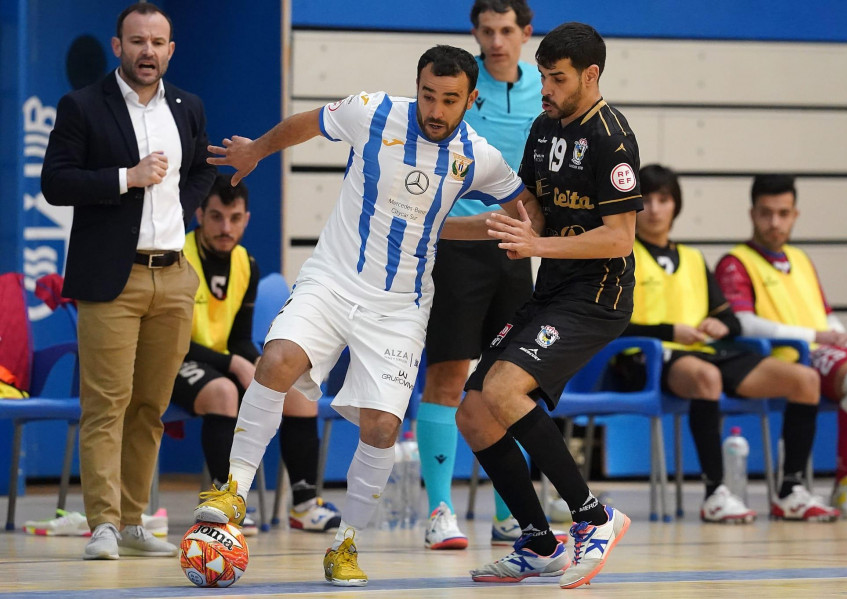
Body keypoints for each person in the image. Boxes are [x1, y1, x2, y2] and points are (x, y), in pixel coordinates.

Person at [192, 45, 542, 587]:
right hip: (332, 279)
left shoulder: (480, 157)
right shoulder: (372, 111)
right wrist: (257, 151)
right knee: (279, 359)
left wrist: (507, 233)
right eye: (428, 94)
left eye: (450, 100)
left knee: (382, 427)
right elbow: (305, 124)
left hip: (400, 307)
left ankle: (345, 545)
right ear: (417, 86)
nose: (436, 108)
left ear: (470, 100)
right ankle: (233, 488)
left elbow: (526, 209)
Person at [456, 23, 640, 589]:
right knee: (474, 411)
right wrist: (442, 229)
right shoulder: (543, 127)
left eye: (557, 78)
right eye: (542, 76)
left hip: (598, 295)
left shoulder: (613, 138)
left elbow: (620, 238)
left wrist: (538, 246)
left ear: (591, 75)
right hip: (553, 291)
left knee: (506, 388)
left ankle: (594, 516)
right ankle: (538, 542)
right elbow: (532, 209)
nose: (546, 88)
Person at [40, 2, 216, 560]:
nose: (147, 51)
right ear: (117, 46)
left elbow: (203, 168)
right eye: (136, 41)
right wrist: (128, 178)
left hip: (173, 276)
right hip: (113, 279)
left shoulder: (188, 107)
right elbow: (56, 181)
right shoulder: (82, 106)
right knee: (106, 404)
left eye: (157, 42)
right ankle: (103, 525)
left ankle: (137, 520)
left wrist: (183, 206)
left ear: (171, 49)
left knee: (151, 406)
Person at [621, 164, 838, 522]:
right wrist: (668, 333)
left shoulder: (692, 258)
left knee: (805, 380)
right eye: (646, 200)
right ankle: (715, 493)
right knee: (707, 376)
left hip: (703, 353)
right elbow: (607, 325)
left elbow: (730, 318)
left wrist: (718, 325)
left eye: (664, 199)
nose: (655, 209)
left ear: (676, 206)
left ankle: (791, 491)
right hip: (643, 358)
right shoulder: (619, 256)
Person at [420, 0, 543, 551]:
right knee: (448, 377)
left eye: (506, 31)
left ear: (525, 34)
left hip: (516, 251)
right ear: (475, 33)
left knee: (507, 381)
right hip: (456, 247)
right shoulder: (459, 85)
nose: (496, 41)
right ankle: (440, 511)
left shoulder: (546, 87)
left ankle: (509, 513)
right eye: (487, 31)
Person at [715, 174, 847, 519]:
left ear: (795, 215)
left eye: (783, 213)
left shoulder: (801, 259)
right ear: (751, 213)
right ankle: (846, 485)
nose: (775, 222)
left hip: (828, 353)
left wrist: (838, 333)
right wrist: (815, 337)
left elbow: (825, 316)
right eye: (766, 213)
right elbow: (745, 323)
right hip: (790, 360)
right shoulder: (735, 262)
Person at [172, 174, 341, 536]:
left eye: (234, 218)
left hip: (218, 362)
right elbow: (171, 340)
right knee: (225, 392)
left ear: (246, 218)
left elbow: (239, 338)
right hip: (174, 361)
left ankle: (304, 502)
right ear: (199, 214)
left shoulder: (246, 263)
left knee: (295, 391)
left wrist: (259, 364)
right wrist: (234, 363)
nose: (225, 227)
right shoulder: (179, 257)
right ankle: (225, 499)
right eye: (216, 216)